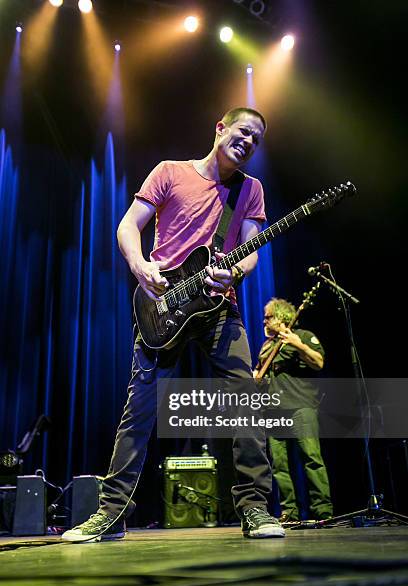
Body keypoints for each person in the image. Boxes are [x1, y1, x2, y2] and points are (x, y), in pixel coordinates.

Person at [62, 107, 285, 541]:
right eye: (243, 132)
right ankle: (110, 515)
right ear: (220, 128)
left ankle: (256, 509)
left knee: (246, 402)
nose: (248, 142)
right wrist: (139, 264)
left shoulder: (250, 190)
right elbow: (129, 225)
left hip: (220, 308)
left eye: (256, 139)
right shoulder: (169, 172)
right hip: (164, 307)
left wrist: (235, 272)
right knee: (139, 411)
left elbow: (251, 250)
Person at [254, 297, 333, 523]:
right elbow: (260, 374)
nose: (264, 321)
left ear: (282, 318)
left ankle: (322, 511)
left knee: (312, 458)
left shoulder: (304, 336)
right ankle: (289, 512)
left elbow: (318, 363)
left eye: (268, 317)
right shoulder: (267, 346)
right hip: (273, 410)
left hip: (301, 407)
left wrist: (298, 344)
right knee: (279, 465)